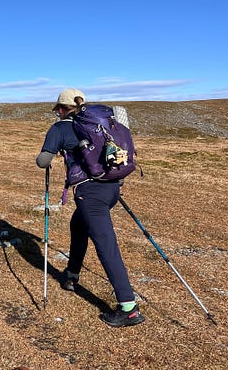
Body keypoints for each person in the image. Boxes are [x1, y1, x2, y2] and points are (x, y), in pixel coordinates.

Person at [36, 88, 145, 328]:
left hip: (90, 195)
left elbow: (42, 161)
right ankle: (72, 276)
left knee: (106, 246)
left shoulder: (61, 128)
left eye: (58, 110)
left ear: (62, 109)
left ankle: (128, 308)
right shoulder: (101, 124)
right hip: (112, 188)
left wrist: (53, 152)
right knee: (78, 225)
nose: (58, 114)